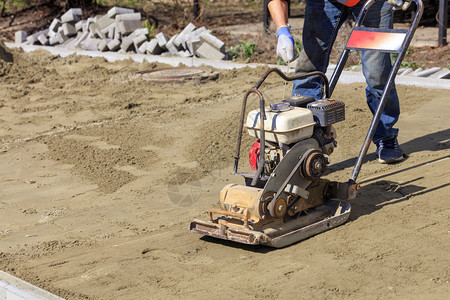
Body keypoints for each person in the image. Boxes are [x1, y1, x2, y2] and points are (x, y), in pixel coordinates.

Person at [268, 0, 412, 164]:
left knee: (377, 72)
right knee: (309, 66)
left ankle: (386, 136)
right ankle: (300, 137)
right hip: (325, 3)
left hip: (373, 3)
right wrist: (282, 31)